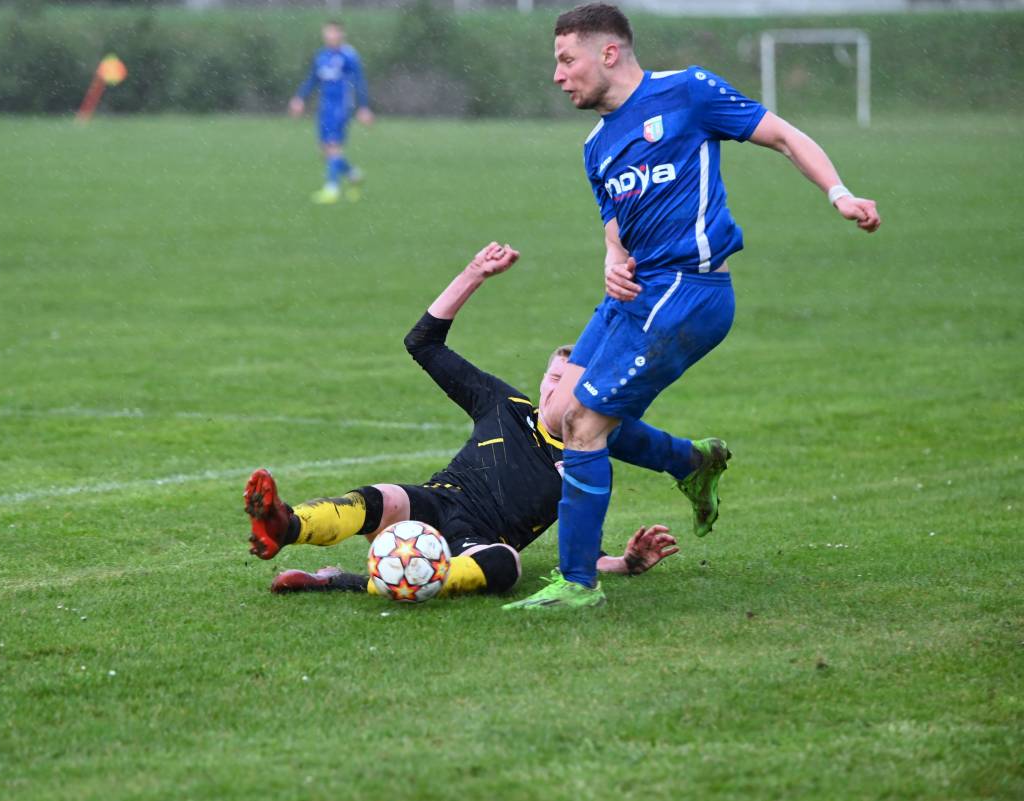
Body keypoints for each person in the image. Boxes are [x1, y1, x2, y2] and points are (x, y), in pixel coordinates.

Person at [504, 4, 881, 611]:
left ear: (608, 53)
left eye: (567, 60)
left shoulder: (687, 92)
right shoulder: (596, 146)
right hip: (632, 294)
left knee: (585, 425)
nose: (558, 75)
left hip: (688, 291)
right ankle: (691, 461)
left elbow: (783, 135)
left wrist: (839, 193)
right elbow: (615, 228)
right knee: (557, 413)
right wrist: (611, 258)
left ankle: (577, 583)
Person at [244, 242, 679, 598]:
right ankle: (287, 525)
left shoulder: (587, 454)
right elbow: (423, 343)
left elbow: (585, 550)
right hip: (435, 503)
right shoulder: (505, 403)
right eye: (553, 377)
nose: (556, 390)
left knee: (507, 565)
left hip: (480, 541)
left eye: (569, 382)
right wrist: (474, 273)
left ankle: (346, 582)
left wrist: (626, 563)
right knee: (384, 497)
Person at [288, 21, 374, 205]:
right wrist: (299, 98)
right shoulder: (322, 56)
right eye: (327, 33)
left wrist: (363, 107)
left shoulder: (349, 56)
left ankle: (332, 190)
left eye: (333, 33)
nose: (329, 36)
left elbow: (360, 81)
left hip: (342, 106)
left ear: (341, 35)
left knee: (334, 146)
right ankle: (354, 175)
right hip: (325, 108)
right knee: (325, 151)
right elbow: (312, 79)